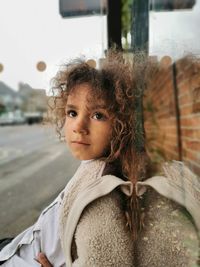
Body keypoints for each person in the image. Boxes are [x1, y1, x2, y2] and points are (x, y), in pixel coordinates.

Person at [0, 51, 199, 267]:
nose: (78, 126)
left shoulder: (105, 191)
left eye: (98, 115)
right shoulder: (99, 168)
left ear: (124, 124)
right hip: (17, 248)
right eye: (72, 112)